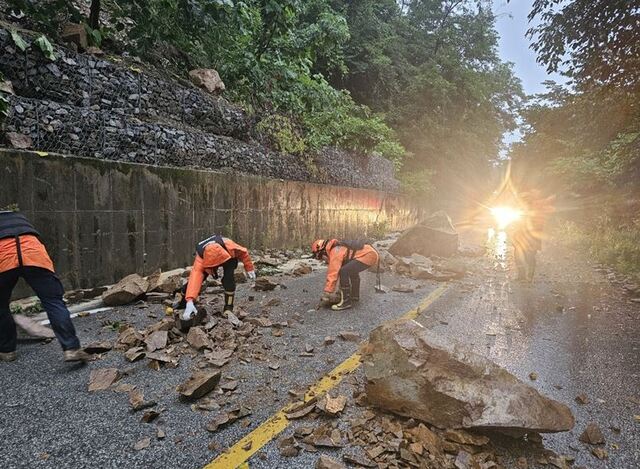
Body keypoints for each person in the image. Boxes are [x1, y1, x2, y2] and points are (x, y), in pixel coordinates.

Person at [0, 210, 88, 362]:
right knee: (53, 301)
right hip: (33, 254)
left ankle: (7, 351)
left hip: (4, 257)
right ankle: (71, 348)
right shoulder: (20, 218)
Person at [182, 235, 256, 320]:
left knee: (229, 280)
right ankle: (183, 299)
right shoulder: (201, 258)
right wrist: (190, 300)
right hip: (209, 262)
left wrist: (249, 267)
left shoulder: (230, 246)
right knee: (200, 279)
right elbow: (195, 279)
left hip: (227, 256)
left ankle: (228, 308)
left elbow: (244, 252)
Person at [311, 239, 379, 311]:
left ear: (322, 250)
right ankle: (354, 296)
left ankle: (346, 302)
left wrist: (327, 292)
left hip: (368, 255)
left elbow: (333, 273)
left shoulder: (335, 251)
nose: (323, 260)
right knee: (350, 269)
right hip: (370, 253)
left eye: (321, 257)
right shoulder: (337, 247)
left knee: (344, 271)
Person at [511, 191, 554, 282]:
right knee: (518, 257)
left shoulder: (536, 211)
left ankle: (529, 277)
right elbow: (515, 224)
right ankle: (521, 275)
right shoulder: (520, 211)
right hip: (520, 238)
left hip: (532, 238)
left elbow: (539, 226)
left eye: (525, 201)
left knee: (529, 257)